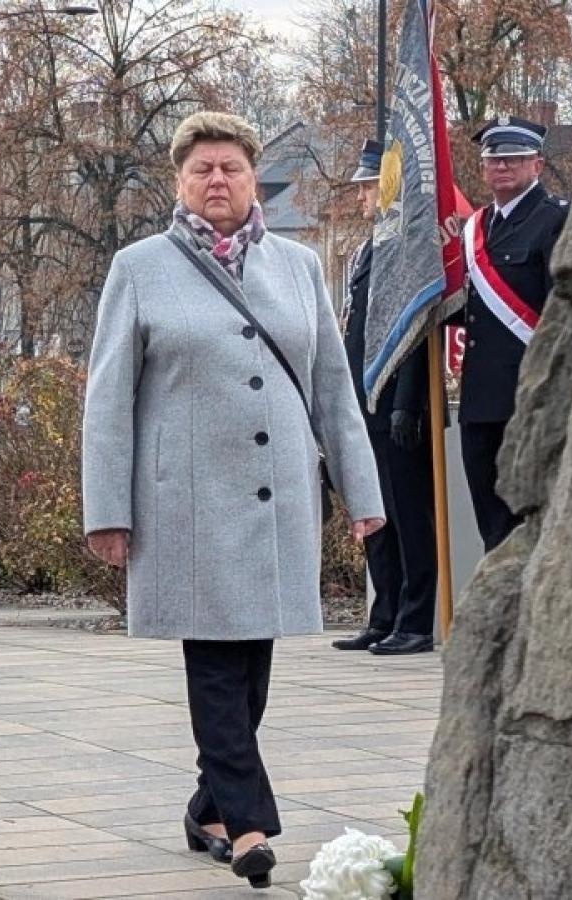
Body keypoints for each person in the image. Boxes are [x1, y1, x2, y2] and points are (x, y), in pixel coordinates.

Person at [81, 111, 384, 891]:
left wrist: (363, 492)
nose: (217, 181)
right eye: (201, 170)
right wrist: (107, 510)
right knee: (215, 663)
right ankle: (248, 825)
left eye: (231, 169)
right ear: (179, 183)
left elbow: (332, 390)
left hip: (277, 498)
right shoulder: (140, 267)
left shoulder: (296, 267)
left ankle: (205, 805)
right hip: (184, 505)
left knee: (253, 666)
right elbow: (108, 398)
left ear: (255, 180)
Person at [332, 139, 439, 656]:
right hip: (363, 401)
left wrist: (407, 402)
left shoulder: (407, 248)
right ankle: (386, 613)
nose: (362, 198)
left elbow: (415, 331)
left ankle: (417, 619)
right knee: (376, 513)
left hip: (396, 403)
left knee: (408, 514)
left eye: (370, 186)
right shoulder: (370, 245)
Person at [457, 115, 569, 552]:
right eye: (494, 160)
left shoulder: (556, 220)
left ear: (537, 165)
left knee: (533, 527)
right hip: (480, 400)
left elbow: (563, 315)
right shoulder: (475, 229)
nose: (501, 167)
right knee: (493, 529)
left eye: (513, 159)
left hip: (531, 398)